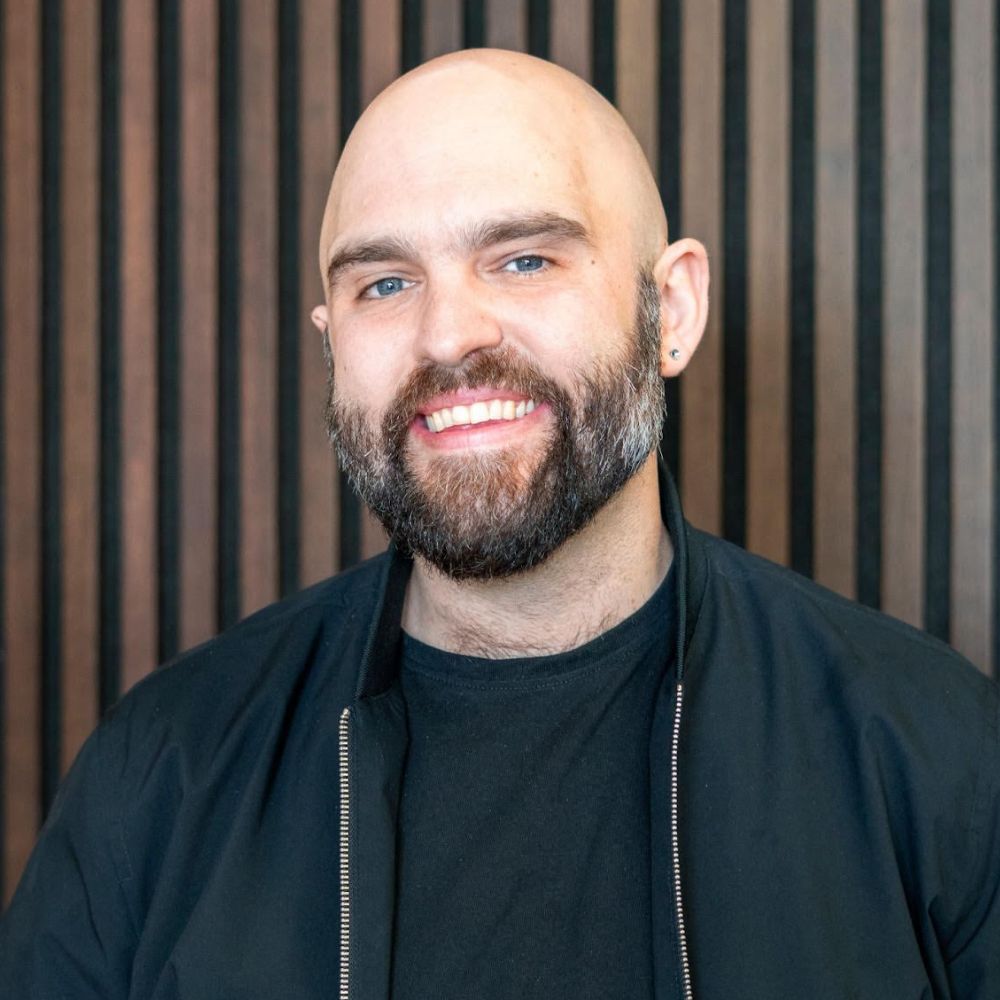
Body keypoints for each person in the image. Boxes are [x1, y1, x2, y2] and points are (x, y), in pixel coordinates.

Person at [1, 48, 998, 1000]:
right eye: (384, 283)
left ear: (672, 309)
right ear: (331, 345)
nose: (447, 334)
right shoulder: (162, 772)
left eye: (522, 260)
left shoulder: (936, 758)